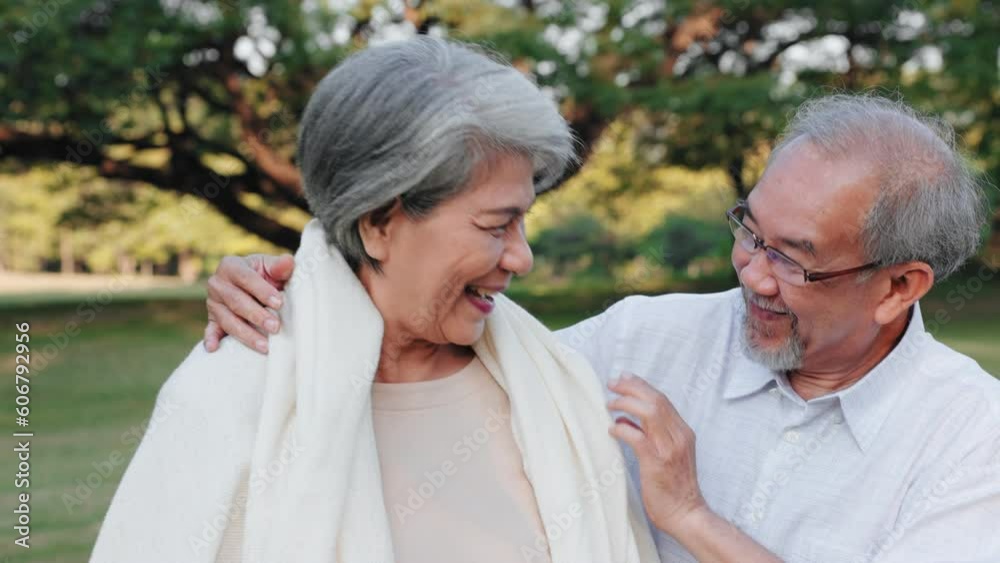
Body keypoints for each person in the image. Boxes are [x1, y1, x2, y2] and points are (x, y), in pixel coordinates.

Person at [206, 93, 1000, 562]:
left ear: (900, 285)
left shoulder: (970, 436)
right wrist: (300, 287)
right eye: (749, 231)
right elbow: (431, 345)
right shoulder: (643, 337)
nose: (750, 272)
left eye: (794, 259)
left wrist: (692, 518)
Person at [92, 37, 662, 563]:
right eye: (495, 226)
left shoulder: (559, 383)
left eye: (523, 222)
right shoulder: (226, 398)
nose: (522, 258)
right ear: (378, 225)